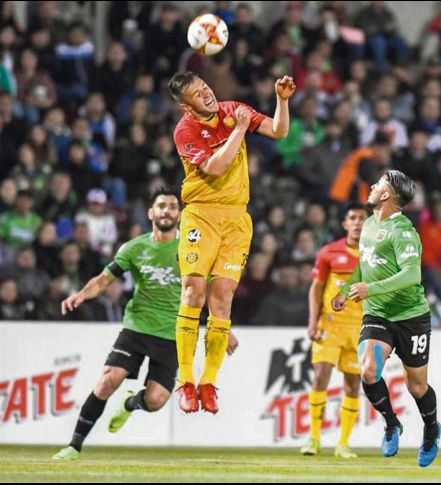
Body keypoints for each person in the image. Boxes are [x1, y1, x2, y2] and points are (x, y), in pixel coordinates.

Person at [52, 188, 236, 461]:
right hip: (137, 328)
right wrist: (81, 294)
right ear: (151, 213)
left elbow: (210, 292)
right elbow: (104, 279)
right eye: (161, 206)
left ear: (180, 215)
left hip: (173, 334)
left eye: (172, 207)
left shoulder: (193, 250)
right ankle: (74, 446)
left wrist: (223, 328)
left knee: (155, 400)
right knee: (107, 380)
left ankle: (130, 403)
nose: (166, 211)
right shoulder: (134, 248)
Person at [168, 71, 294, 414]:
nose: (206, 94)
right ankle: (186, 381)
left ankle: (208, 382)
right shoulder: (185, 130)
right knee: (193, 291)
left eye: (205, 87)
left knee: (222, 297)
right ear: (186, 106)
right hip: (202, 214)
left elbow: (279, 131)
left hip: (236, 218)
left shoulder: (232, 109)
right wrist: (239, 129)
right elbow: (215, 167)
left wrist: (281, 101)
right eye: (197, 94)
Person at [332, 170, 441, 468]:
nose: (372, 185)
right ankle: (392, 424)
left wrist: (370, 289)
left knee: (417, 387)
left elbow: (411, 275)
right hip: (377, 313)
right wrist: (345, 290)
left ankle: (431, 429)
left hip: (411, 317)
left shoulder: (403, 231)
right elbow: (365, 263)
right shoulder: (369, 224)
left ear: (387, 194)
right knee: (368, 370)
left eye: (379, 182)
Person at [301, 202, 368, 459]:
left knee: (352, 385)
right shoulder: (329, 252)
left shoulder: (375, 256)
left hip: (359, 327)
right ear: (345, 223)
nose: (357, 222)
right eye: (353, 218)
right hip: (330, 324)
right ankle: (314, 438)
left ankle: (343, 444)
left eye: (362, 218)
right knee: (320, 377)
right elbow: (316, 288)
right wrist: (312, 321)